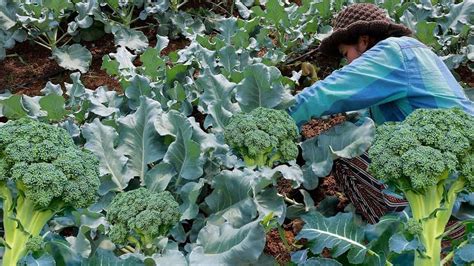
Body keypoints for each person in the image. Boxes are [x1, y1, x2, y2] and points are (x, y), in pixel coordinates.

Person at [288, 3, 474, 224]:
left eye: (345, 53)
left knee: (343, 154)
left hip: (452, 178)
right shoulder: (414, 53)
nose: (346, 62)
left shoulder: (393, 52)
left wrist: (278, 119)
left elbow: (325, 94)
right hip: (455, 167)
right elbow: (362, 123)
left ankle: (404, 236)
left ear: (363, 41)